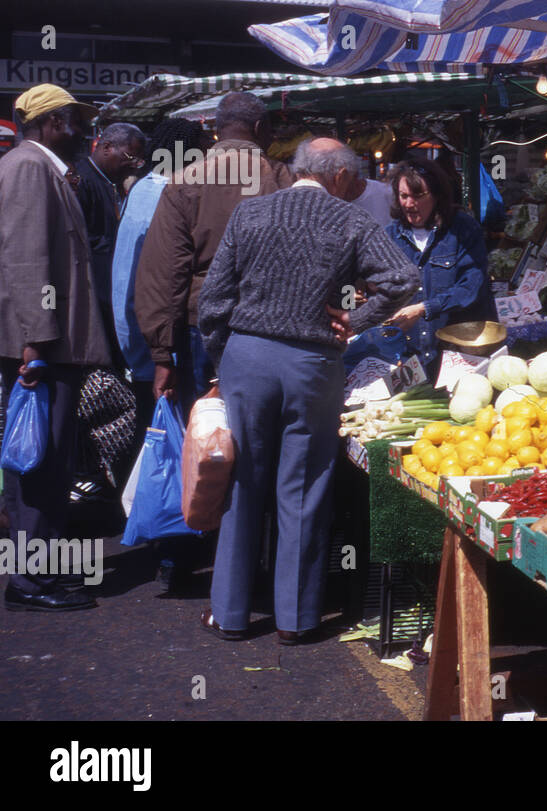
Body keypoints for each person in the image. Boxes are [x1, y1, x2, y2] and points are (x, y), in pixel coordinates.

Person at [196, 137, 418, 643]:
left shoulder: (249, 214)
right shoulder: (350, 220)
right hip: (312, 365)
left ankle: (230, 612)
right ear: (338, 176)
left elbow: (213, 301)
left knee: (244, 482)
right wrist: (355, 321)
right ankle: (295, 619)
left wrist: (223, 360)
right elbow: (403, 277)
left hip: (246, 358)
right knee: (302, 486)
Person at [0, 84, 107, 612]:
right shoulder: (28, 167)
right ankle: (30, 582)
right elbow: (24, 259)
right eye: (74, 120)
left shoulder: (41, 167)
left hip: (48, 345)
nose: (84, 129)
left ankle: (36, 574)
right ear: (51, 123)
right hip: (42, 347)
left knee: (45, 462)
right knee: (41, 464)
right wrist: (35, 342)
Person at [134, 92, 292, 413]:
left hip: (203, 329)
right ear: (260, 127)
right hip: (272, 328)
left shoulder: (183, 182)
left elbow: (164, 274)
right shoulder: (283, 180)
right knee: (262, 431)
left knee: (208, 432)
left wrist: (162, 354)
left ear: (218, 131)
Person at [112, 117, 211, 591]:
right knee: (180, 446)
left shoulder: (148, 192)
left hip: (155, 347)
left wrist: (138, 351)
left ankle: (171, 545)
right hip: (169, 347)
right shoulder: (162, 193)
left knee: (170, 446)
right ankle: (176, 546)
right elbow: (140, 281)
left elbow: (123, 281)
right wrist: (152, 355)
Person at [383, 157, 496, 373]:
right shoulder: (390, 236)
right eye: (403, 196)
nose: (409, 204)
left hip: (460, 354)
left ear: (437, 196)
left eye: (418, 196)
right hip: (410, 358)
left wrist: (424, 309)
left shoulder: (463, 229)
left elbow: (471, 287)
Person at [74, 122, 146, 361]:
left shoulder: (110, 182)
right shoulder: (82, 180)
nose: (133, 164)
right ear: (106, 147)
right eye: (129, 156)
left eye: (137, 159)